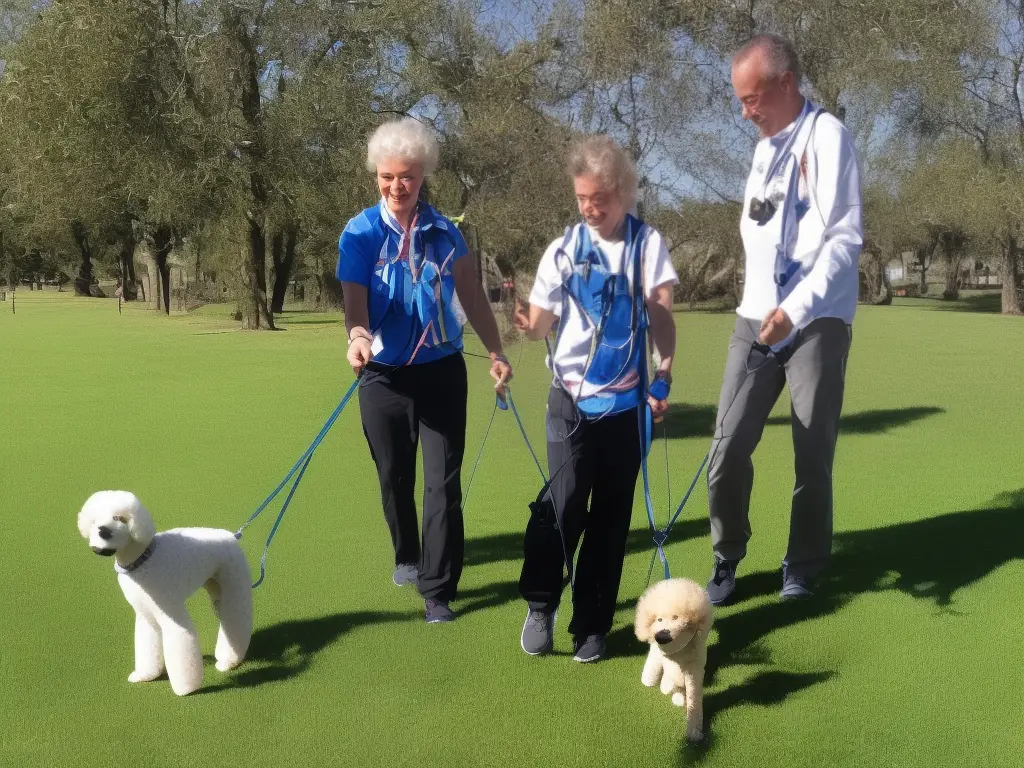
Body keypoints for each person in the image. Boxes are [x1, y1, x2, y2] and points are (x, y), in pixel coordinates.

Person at [705, 34, 863, 605]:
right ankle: (727, 556)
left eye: (751, 98)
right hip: (755, 322)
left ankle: (803, 563)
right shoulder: (762, 149)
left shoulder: (828, 137)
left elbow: (845, 239)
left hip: (816, 322)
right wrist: (761, 308)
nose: (745, 112)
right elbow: (762, 232)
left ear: (785, 83)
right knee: (725, 449)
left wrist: (793, 309)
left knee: (810, 452)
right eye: (740, 100)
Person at [337, 117, 512, 624]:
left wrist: (497, 351)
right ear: (376, 176)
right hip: (382, 375)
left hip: (440, 371)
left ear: (423, 176)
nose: (397, 186)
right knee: (394, 476)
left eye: (408, 176)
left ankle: (438, 590)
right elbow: (354, 302)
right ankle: (407, 554)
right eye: (388, 176)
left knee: (442, 483)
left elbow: (472, 296)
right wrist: (358, 337)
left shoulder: (445, 233)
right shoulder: (361, 232)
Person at [512, 135, 678, 663]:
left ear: (624, 191)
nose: (590, 207)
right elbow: (540, 324)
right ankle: (541, 604)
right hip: (570, 402)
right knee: (561, 506)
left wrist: (664, 374)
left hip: (626, 408)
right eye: (582, 197)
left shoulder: (646, 245)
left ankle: (591, 624)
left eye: (600, 196)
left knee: (610, 519)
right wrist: (528, 323)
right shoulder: (563, 250)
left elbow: (662, 315)